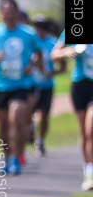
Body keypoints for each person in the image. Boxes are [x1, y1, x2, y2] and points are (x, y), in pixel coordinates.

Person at [0, 0, 42, 175]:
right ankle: (6, 157)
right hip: (1, 85)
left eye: (12, 12)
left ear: (17, 13)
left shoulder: (28, 34)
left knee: (16, 118)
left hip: (22, 83)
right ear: (1, 14)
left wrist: (32, 66)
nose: (8, 15)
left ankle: (18, 156)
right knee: (3, 125)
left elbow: (39, 54)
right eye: (5, 12)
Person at [51, 30, 93, 191]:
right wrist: (69, 51)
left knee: (91, 129)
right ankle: (88, 170)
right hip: (81, 84)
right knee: (84, 131)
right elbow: (54, 54)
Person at [31, 16, 65, 157]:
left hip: (46, 84)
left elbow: (62, 67)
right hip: (31, 84)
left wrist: (53, 72)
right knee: (28, 112)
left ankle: (40, 140)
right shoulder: (30, 41)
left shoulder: (52, 43)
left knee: (44, 115)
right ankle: (30, 129)